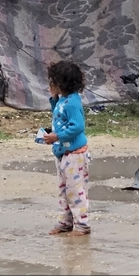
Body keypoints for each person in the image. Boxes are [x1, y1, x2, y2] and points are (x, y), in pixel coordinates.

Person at [44, 61, 90, 236]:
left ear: (61, 84)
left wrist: (57, 136)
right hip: (64, 152)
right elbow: (59, 117)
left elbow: (77, 126)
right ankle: (65, 222)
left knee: (75, 190)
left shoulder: (72, 103)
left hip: (75, 155)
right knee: (63, 190)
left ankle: (82, 224)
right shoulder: (64, 100)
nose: (50, 85)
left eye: (53, 82)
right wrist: (54, 100)